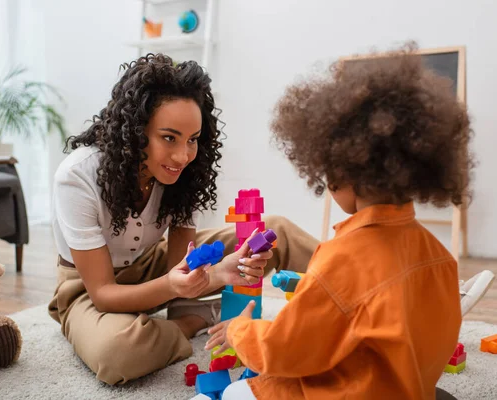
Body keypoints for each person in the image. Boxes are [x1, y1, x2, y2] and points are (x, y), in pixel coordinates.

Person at [203, 45, 490, 400]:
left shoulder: (339, 260)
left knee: (235, 392)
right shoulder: (440, 257)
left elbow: (284, 351)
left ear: (341, 171)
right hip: (408, 389)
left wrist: (240, 331)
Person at [47, 53, 319, 385]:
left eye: (192, 140)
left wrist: (213, 272)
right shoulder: (77, 176)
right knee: (116, 353)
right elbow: (104, 292)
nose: (182, 156)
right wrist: (182, 287)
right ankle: (190, 322)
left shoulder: (182, 172)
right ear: (136, 131)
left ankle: (355, 287)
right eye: (169, 137)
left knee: (275, 230)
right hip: (87, 289)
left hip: (153, 263)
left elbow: (180, 267)